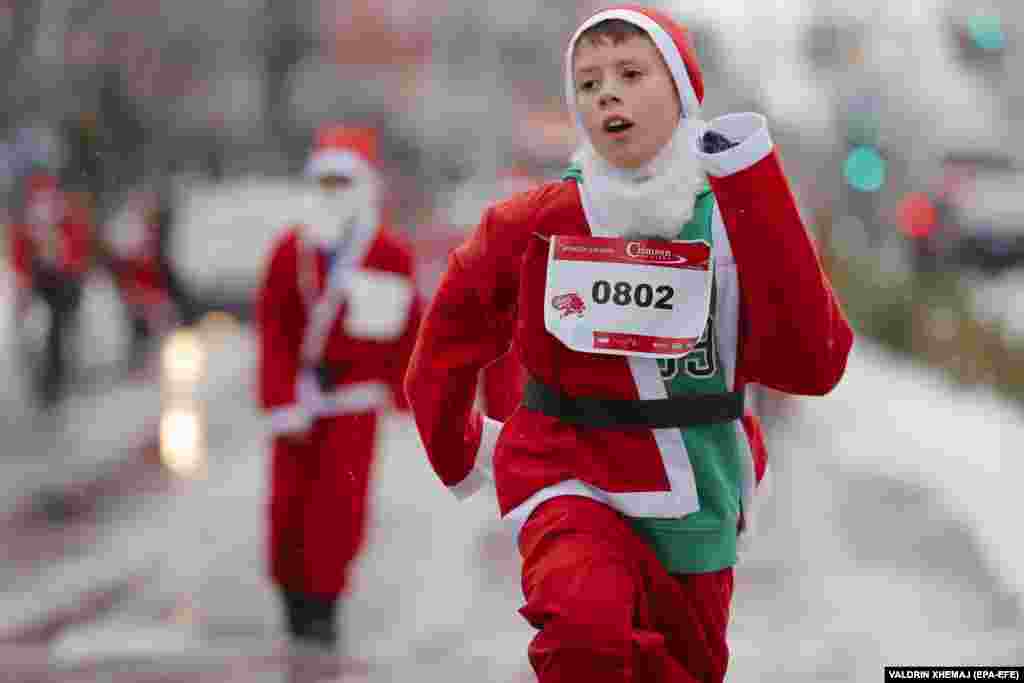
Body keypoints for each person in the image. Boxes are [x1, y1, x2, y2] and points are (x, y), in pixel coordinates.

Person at [404, 6, 854, 683]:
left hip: (701, 492)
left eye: (631, 73)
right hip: (569, 477)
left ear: (682, 93)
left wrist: (755, 184)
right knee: (584, 637)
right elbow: (446, 338)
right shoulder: (534, 223)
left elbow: (813, 363)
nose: (606, 92)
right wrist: (459, 447)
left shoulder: (733, 219)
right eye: (588, 83)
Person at [256, 123, 422, 649]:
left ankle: (324, 605)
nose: (332, 192)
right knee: (287, 510)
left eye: (341, 182)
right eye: (323, 182)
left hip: (354, 404)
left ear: (363, 187)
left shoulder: (389, 253)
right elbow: (274, 330)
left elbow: (408, 328)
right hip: (299, 402)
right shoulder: (290, 251)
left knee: (340, 510)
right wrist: (281, 400)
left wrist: (407, 391)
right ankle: (291, 595)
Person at [10, 169, 93, 409]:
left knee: (59, 328)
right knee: (38, 330)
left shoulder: (66, 217)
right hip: (40, 280)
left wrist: (71, 268)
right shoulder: (28, 224)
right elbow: (20, 254)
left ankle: (56, 376)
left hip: (62, 281)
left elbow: (78, 249)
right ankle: (45, 376)